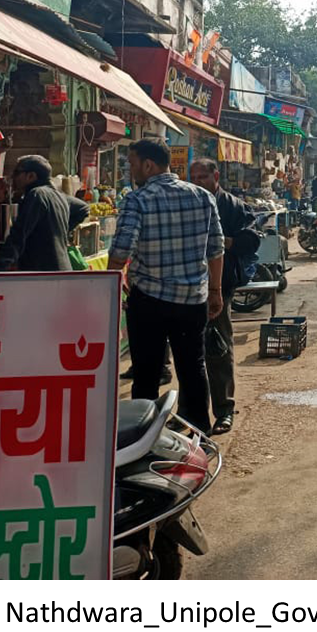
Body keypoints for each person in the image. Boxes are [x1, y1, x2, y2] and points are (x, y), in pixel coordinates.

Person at [108, 138, 224, 433]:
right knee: (192, 367)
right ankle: (200, 429)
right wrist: (215, 291)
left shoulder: (138, 200)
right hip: (192, 299)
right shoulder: (202, 196)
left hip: (150, 301)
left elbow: (121, 251)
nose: (131, 170)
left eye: (132, 164)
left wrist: (109, 285)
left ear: (148, 165)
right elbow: (216, 248)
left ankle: (142, 436)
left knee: (146, 372)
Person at [189, 158, 259, 436]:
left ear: (215, 176)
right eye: (193, 177)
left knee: (218, 346)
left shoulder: (233, 206)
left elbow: (252, 240)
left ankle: (224, 409)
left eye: (203, 177)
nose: (198, 182)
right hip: (189, 285)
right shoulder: (187, 201)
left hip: (221, 285)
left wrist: (222, 242)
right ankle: (190, 411)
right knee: (189, 351)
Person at [0, 155, 73, 271]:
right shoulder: (60, 196)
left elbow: (18, 235)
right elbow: (81, 208)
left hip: (42, 274)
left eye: (17, 173)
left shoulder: (36, 195)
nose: (13, 177)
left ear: (31, 176)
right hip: (61, 270)